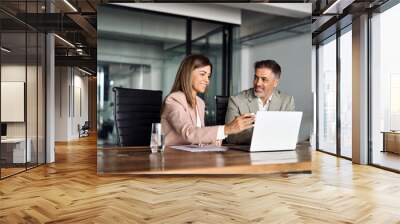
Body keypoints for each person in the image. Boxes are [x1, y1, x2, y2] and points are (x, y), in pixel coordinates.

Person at [161, 54, 255, 146]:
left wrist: (212, 140)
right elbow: (189, 133)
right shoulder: (174, 100)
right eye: (202, 74)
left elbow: (199, 136)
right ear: (188, 74)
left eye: (208, 76)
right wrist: (227, 129)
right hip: (174, 157)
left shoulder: (200, 103)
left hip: (194, 156)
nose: (207, 80)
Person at [225, 59, 295, 144]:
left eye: (264, 79)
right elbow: (230, 136)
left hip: (276, 154)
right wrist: (267, 136)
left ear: (275, 83)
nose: (258, 83)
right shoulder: (236, 100)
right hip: (245, 155)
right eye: (256, 78)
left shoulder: (286, 101)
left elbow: (292, 134)